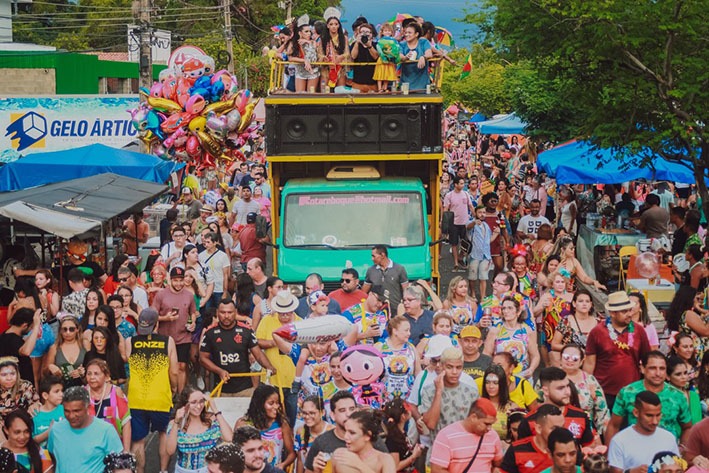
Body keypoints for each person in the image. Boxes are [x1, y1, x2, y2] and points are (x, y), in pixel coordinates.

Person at [127, 308, 179, 473]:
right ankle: (163, 470)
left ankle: (140, 471)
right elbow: (174, 371)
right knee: (163, 434)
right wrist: (174, 387)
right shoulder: (167, 341)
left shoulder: (130, 341)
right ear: (157, 323)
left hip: (136, 398)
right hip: (160, 397)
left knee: (138, 440)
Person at [584, 291, 651, 410]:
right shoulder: (597, 331)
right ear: (612, 313)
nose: (630, 314)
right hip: (604, 392)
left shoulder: (639, 331)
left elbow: (647, 360)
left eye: (630, 310)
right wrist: (588, 388)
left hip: (632, 391)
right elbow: (589, 363)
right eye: (624, 311)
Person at [606, 351, 692, 443]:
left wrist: (682, 450)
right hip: (634, 449)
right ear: (642, 369)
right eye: (652, 368)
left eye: (662, 368)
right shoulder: (627, 392)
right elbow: (613, 426)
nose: (658, 373)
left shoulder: (677, 396)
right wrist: (610, 454)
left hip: (667, 452)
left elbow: (687, 427)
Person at [200, 299, 275, 396]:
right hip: (221, 388)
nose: (226, 316)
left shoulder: (246, 331)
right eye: (223, 312)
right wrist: (219, 371)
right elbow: (202, 358)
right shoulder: (210, 333)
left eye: (230, 312)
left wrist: (269, 367)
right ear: (217, 313)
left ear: (235, 312)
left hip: (245, 388)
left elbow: (258, 355)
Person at [304, 391, 388, 473]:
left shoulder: (371, 439)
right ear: (333, 415)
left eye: (352, 409)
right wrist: (316, 470)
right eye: (342, 410)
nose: (348, 414)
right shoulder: (321, 442)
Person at [48, 386, 122, 473]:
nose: (71, 416)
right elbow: (52, 458)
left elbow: (119, 465)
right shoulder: (56, 430)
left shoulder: (106, 431)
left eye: (76, 411)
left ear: (88, 408)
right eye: (67, 411)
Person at [516, 367, 595, 447]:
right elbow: (522, 454)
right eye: (560, 388)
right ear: (546, 391)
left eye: (567, 386)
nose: (567, 392)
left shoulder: (581, 416)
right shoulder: (529, 421)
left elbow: (589, 450)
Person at [255, 291, 300, 426]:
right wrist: (275, 342)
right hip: (272, 379)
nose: (285, 316)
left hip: (293, 380)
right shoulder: (267, 320)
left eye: (288, 313)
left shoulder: (301, 322)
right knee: (269, 419)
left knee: (293, 418)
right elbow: (257, 341)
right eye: (282, 313)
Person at [607, 391, 679, 473]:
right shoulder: (619, 441)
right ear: (636, 413)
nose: (655, 421)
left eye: (658, 415)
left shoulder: (669, 438)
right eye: (649, 416)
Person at [167, 386, 233, 473]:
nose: (199, 406)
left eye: (201, 401)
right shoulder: (175, 423)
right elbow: (170, 451)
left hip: (209, 469)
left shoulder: (212, 418)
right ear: (185, 404)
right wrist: (176, 421)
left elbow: (229, 438)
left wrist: (215, 410)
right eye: (194, 402)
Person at [152, 266, 198, 393]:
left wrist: (193, 322)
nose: (178, 283)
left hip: (183, 336)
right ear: (170, 280)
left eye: (181, 280)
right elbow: (153, 315)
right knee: (167, 367)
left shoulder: (189, 295)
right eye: (175, 280)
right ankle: (169, 392)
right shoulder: (161, 295)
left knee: (182, 366)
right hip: (165, 336)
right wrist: (165, 318)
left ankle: (180, 395)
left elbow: (193, 312)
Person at [420, 347, 479, 441]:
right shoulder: (429, 391)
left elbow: (476, 425)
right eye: (449, 367)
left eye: (458, 367)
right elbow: (431, 424)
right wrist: (438, 392)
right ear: (442, 366)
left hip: (464, 448)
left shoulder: (471, 392)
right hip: (438, 448)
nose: (454, 372)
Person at [235, 384, 295, 471]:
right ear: (260, 404)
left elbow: (292, 453)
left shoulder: (282, 424)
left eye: (277, 403)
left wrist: (283, 465)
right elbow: (235, 454)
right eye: (271, 403)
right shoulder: (243, 424)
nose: (276, 407)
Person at [483, 296, 540, 380]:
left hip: (522, 375)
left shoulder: (526, 330)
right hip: (500, 375)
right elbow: (486, 354)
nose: (506, 311)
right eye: (504, 308)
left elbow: (535, 355)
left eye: (510, 308)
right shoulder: (495, 330)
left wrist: (531, 369)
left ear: (518, 311)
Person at [558, 344, 610, 437]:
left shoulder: (590, 380)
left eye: (575, 358)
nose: (570, 360)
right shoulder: (550, 377)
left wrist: (604, 436)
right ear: (560, 358)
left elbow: (602, 410)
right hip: (557, 430)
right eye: (566, 357)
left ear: (581, 361)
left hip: (586, 431)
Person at [500, 404, 566, 473]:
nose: (560, 432)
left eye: (563, 427)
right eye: (554, 428)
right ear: (539, 428)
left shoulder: (569, 449)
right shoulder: (517, 450)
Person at [84, 358, 131, 451]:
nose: (92, 377)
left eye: (96, 374)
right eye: (89, 374)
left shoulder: (116, 392)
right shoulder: (82, 394)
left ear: (106, 377)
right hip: (89, 448)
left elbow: (126, 423)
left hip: (114, 446)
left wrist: (126, 451)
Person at [331, 409, 396, 473]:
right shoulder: (339, 455)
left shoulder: (385, 460)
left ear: (367, 435)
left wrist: (359, 465)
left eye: (352, 433)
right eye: (346, 431)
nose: (345, 436)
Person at [375, 316, 421, 401]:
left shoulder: (411, 348)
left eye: (409, 330)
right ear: (395, 331)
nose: (409, 333)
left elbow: (418, 373)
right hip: (384, 400)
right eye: (406, 330)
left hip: (407, 400)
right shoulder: (379, 347)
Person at [0, 309, 42, 386]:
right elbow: (26, 351)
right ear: (25, 325)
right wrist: (36, 326)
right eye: (31, 327)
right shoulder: (12, 339)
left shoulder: (5, 336)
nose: (31, 329)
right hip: (19, 388)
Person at [480, 364, 520, 441]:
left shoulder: (512, 408)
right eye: (487, 382)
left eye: (495, 383)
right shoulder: (478, 406)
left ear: (502, 384)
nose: (491, 386)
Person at [362, 245, 409, 310]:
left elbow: (406, 290)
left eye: (374, 256)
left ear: (382, 255)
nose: (372, 259)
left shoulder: (399, 269)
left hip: (396, 310)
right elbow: (364, 293)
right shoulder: (371, 271)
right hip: (378, 312)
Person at [444, 176, 476, 272]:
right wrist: (446, 224)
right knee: (454, 244)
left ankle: (461, 257)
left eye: (463, 183)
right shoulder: (449, 195)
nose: (462, 185)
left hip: (464, 223)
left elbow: (470, 206)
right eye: (461, 183)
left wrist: (476, 216)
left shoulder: (466, 194)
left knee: (465, 243)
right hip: (453, 223)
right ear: (455, 184)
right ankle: (456, 263)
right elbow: (446, 210)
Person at [382, 398, 422, 473]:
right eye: (408, 407)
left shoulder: (401, 432)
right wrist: (413, 456)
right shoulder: (393, 439)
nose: (410, 410)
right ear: (403, 416)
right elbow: (396, 467)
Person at [45, 315, 86, 388]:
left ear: (77, 330)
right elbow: (44, 372)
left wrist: (83, 372)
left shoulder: (85, 344)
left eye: (71, 329)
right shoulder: (54, 347)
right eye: (64, 329)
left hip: (83, 385)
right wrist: (50, 367)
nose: (68, 332)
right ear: (60, 331)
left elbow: (93, 364)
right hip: (61, 387)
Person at [0, 357, 39, 431]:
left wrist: (34, 405)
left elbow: (35, 403)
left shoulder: (25, 386)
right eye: (4, 375)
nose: (9, 378)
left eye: (12, 374)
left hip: (24, 424)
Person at [467, 206, 494, 298]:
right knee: (472, 277)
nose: (482, 214)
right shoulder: (472, 223)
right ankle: (473, 294)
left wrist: (496, 234)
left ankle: (483, 296)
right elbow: (467, 227)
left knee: (484, 277)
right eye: (480, 212)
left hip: (485, 255)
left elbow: (488, 240)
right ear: (475, 213)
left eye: (484, 212)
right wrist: (474, 223)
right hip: (474, 254)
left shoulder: (486, 225)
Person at [666, 356, 702, 424]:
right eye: (678, 374)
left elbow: (698, 422)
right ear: (668, 376)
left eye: (685, 373)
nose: (684, 377)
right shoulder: (665, 398)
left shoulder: (694, 396)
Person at [398, 22, 432, 92]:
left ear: (416, 34)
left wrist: (423, 57)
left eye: (409, 33)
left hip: (422, 83)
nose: (406, 34)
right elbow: (400, 55)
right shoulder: (402, 44)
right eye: (406, 32)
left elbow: (429, 54)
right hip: (406, 83)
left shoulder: (423, 42)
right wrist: (405, 58)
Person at [32, 375, 64, 447]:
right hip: (43, 456)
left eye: (62, 391)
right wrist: (49, 432)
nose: (61, 394)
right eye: (56, 391)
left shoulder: (65, 410)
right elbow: (32, 441)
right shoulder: (35, 414)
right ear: (45, 395)